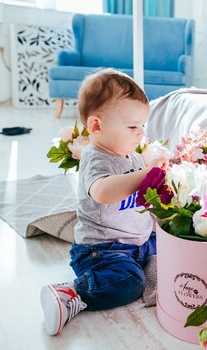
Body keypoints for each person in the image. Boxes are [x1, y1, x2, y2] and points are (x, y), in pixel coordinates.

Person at [40, 69, 165, 336]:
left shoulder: (129, 154)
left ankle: (155, 268)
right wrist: (146, 175)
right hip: (103, 251)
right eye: (133, 127)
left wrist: (152, 167)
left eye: (142, 126)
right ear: (96, 126)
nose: (140, 134)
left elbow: (140, 183)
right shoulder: (97, 158)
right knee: (130, 282)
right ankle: (72, 293)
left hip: (137, 241)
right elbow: (103, 192)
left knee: (167, 243)